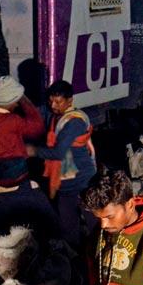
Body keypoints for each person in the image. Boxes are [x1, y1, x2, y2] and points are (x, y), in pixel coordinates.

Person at [0, 76, 57, 236]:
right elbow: (37, 127)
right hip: (20, 185)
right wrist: (24, 99)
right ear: (10, 100)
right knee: (49, 222)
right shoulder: (12, 121)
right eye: (15, 100)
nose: (17, 104)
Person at [34, 80, 96, 245]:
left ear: (70, 101)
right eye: (51, 101)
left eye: (58, 102)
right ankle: (76, 261)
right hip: (66, 184)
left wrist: (32, 150)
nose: (53, 105)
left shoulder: (74, 121)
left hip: (83, 182)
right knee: (68, 229)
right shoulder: (55, 116)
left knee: (95, 223)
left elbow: (58, 152)